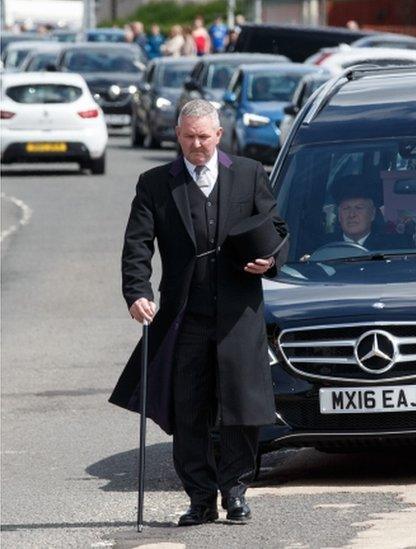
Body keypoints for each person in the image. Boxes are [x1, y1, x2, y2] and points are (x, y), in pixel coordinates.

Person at [110, 100, 288, 526]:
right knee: (187, 410)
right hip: (184, 316)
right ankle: (201, 499)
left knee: (240, 408)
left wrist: (271, 261)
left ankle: (236, 492)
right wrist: (137, 293)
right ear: (177, 135)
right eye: (189, 137)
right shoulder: (154, 183)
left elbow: (277, 230)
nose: (197, 145)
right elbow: (137, 244)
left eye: (204, 137)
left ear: (219, 135)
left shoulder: (248, 173)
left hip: (238, 313)